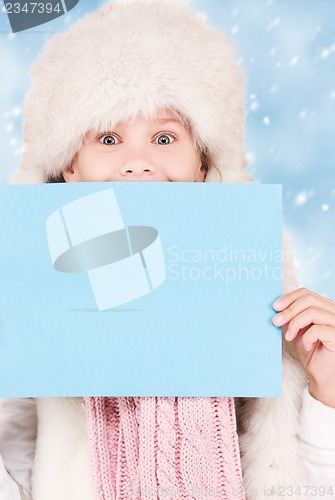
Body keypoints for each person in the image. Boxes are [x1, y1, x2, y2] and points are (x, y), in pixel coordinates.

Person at [1, 0, 335, 499]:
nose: (137, 163)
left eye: (163, 137)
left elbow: (294, 485)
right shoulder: (35, 292)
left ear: (203, 166)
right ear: (69, 167)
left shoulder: (248, 279)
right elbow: (17, 470)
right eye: (109, 137)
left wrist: (326, 393)